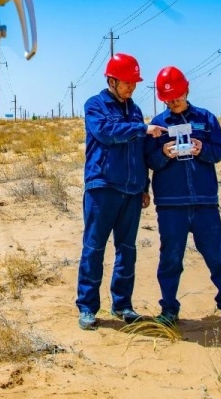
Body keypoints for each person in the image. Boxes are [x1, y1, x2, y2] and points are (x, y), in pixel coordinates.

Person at [145, 66, 221, 328]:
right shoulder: (157, 124)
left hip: (204, 202)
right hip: (170, 205)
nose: (173, 102)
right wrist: (163, 154)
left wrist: (203, 149)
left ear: (187, 90)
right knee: (170, 259)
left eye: (177, 97)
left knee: (216, 256)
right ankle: (169, 309)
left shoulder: (206, 118)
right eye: (168, 99)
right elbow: (149, 160)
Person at [77, 53, 167, 330]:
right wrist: (142, 128)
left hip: (131, 191)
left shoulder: (135, 110)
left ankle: (123, 305)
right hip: (102, 187)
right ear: (112, 80)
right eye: (127, 82)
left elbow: (139, 151)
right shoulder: (95, 106)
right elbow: (106, 132)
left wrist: (144, 186)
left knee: (127, 250)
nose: (132, 87)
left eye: (135, 82)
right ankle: (87, 307)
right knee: (94, 248)